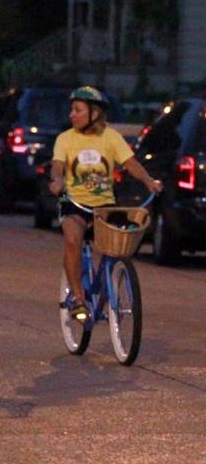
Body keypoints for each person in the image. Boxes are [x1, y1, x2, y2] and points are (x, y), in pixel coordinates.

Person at [48, 86, 163, 322]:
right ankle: (79, 299)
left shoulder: (111, 138)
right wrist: (57, 180)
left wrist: (149, 181)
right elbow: (57, 166)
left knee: (112, 248)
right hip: (74, 203)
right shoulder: (65, 139)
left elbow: (130, 163)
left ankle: (110, 283)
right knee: (73, 240)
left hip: (105, 206)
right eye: (72, 110)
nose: (72, 115)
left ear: (95, 113)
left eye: (78, 110)